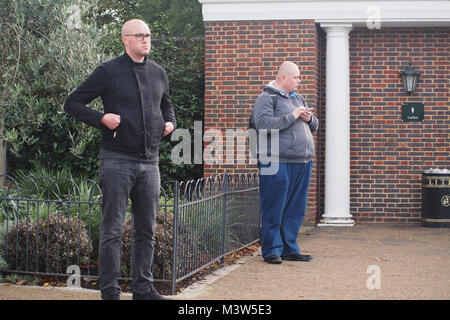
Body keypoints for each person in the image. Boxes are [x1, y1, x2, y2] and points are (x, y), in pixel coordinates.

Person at [64, 19, 176, 300]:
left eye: (149, 35)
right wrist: (101, 118)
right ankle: (110, 291)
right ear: (124, 39)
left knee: (146, 230)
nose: (146, 40)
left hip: (150, 163)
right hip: (116, 160)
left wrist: (170, 123)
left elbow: (167, 105)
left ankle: (143, 289)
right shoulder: (108, 71)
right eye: (140, 35)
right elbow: (73, 103)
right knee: (112, 230)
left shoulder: (158, 72)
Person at [250, 61, 318, 264]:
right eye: (296, 77)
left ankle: (289, 248)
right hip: (276, 161)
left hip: (302, 161)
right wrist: (293, 115)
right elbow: (263, 125)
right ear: (283, 78)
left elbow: (314, 126)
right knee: (275, 206)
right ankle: (271, 250)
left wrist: (308, 118)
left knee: (295, 208)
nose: (299, 81)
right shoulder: (266, 98)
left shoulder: (298, 98)